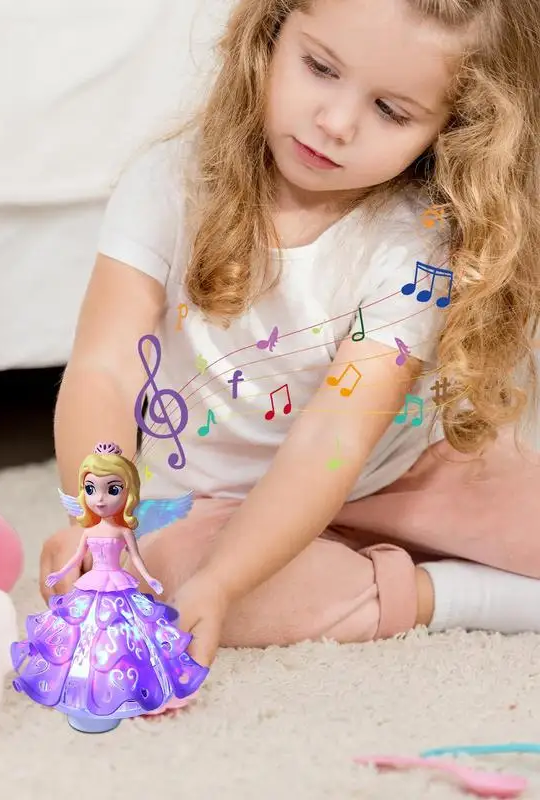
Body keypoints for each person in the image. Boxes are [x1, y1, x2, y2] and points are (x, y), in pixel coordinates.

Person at [41, 0, 540, 672]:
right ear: (271, 34)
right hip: (212, 500)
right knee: (177, 580)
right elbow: (105, 370)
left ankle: (390, 566)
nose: (335, 123)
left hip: (398, 474)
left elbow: (333, 439)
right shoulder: (170, 183)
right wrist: (100, 522)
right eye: (319, 67)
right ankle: (437, 595)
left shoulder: (417, 246)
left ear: (454, 129)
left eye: (390, 110)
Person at [11, 442, 208, 733]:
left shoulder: (123, 530)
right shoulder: (89, 530)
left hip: (118, 583)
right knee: (84, 632)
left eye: (112, 490)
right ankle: (84, 685)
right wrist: (61, 574)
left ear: (127, 493)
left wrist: (150, 579)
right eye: (91, 490)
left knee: (125, 635)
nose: (100, 499)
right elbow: (77, 557)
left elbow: (137, 560)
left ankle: (125, 685)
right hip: (92, 583)